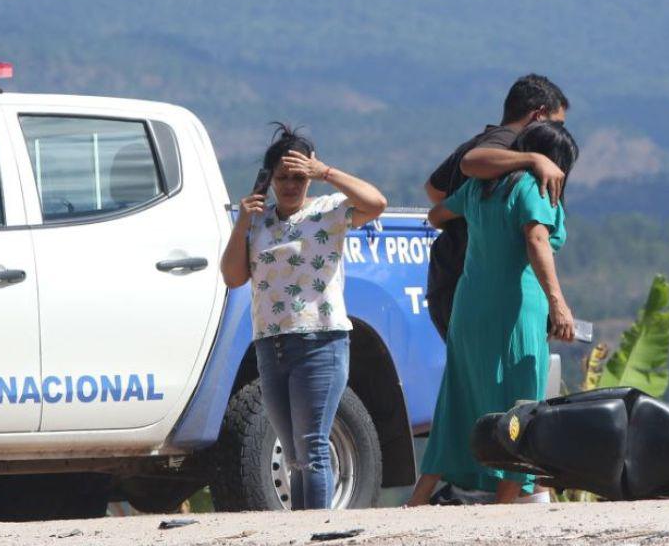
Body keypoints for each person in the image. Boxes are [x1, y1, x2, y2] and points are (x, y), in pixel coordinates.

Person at [407, 122, 580, 506]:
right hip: (514, 309)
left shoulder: (479, 188)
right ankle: (502, 506)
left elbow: (436, 216)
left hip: (469, 309)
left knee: (458, 401)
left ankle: (417, 499)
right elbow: (536, 239)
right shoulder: (533, 189)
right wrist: (558, 303)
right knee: (520, 405)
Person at [220, 124, 387, 510]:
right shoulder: (258, 221)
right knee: (294, 453)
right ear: (269, 180)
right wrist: (243, 221)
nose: (291, 185)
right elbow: (232, 276)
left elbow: (375, 203)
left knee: (312, 446)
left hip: (320, 340)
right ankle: (302, 531)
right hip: (271, 342)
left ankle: (317, 530)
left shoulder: (328, 210)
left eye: (298, 177)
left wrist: (326, 172)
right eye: (283, 178)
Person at [424, 74, 570, 342]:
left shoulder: (483, 139)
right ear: (539, 115)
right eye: (557, 126)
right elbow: (471, 162)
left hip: (448, 281)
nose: (559, 135)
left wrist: (472, 206)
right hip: (472, 284)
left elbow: (434, 191)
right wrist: (533, 158)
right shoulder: (507, 140)